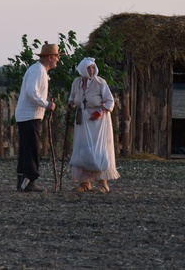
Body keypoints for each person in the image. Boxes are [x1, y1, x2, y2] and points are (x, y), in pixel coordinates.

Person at [67, 57, 119, 193]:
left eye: (92, 68)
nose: (91, 70)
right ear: (82, 69)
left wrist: (100, 112)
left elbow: (110, 101)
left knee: (98, 149)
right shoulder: (76, 83)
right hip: (82, 120)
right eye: (88, 68)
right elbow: (72, 97)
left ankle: (103, 183)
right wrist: (70, 104)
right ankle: (85, 183)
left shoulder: (100, 83)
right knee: (82, 149)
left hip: (97, 122)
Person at [15, 43, 59, 193]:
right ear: (50, 57)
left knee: (26, 148)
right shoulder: (38, 70)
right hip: (30, 115)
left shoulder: (38, 70)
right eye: (57, 57)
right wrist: (46, 104)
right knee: (31, 148)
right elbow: (31, 92)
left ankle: (22, 180)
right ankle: (29, 180)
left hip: (28, 115)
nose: (58, 60)